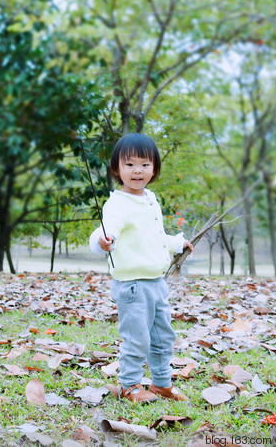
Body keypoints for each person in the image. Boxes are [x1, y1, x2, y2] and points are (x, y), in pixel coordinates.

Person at [89, 133, 193, 403]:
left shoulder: (150, 198)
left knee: (162, 336)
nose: (138, 171)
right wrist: (103, 241)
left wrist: (177, 243)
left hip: (157, 283)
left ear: (155, 168)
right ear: (116, 169)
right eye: (130, 164)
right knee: (137, 338)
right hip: (133, 285)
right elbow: (106, 230)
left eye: (145, 164)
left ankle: (161, 383)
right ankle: (130, 384)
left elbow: (153, 235)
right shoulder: (118, 203)